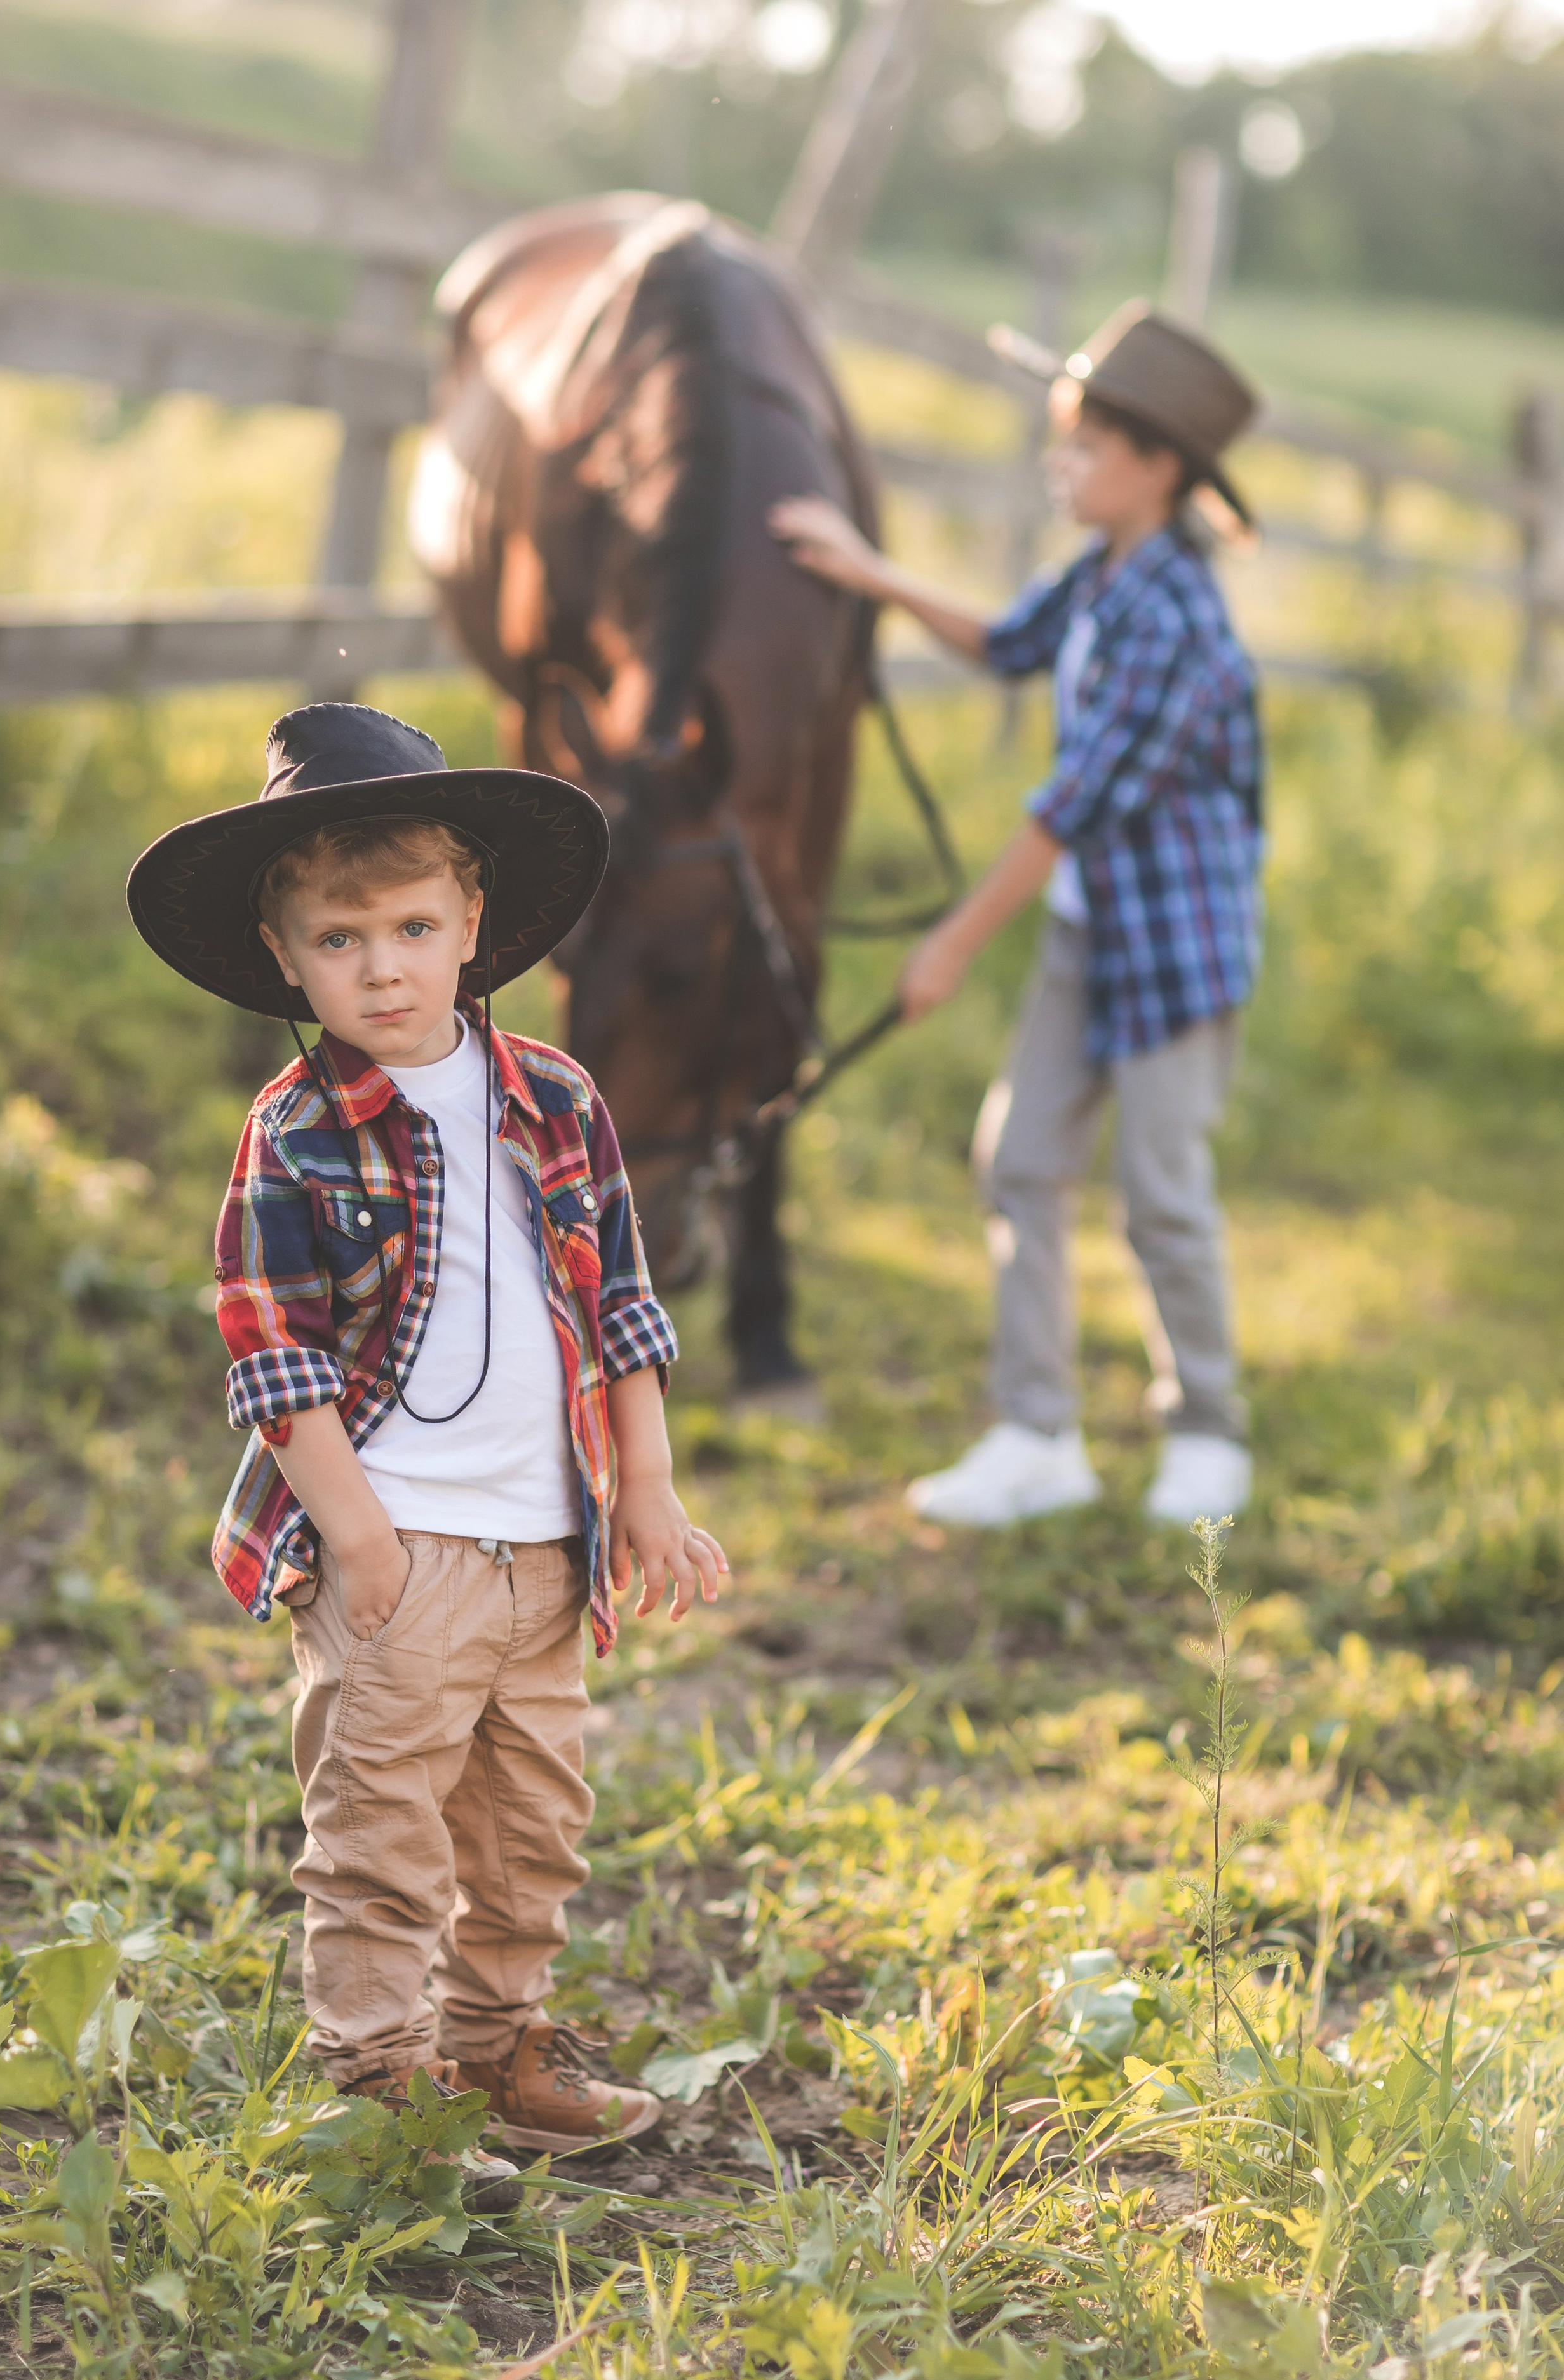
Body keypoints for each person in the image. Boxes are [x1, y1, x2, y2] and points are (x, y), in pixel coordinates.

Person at [127, 702, 728, 2193]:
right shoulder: (297, 1129)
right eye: (340, 939)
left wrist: (643, 1487)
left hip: (547, 1544)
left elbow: (623, 1309)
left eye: (409, 924)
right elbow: (269, 1345)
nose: (380, 966)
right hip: (393, 1548)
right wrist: (363, 1537)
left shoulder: (556, 1099)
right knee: (383, 1828)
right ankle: (376, 2082)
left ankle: (494, 2046)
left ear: (473, 921)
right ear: (284, 953)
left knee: (532, 1821)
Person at [771, 304, 1262, 1529]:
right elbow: (1007, 644)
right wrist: (863, 567)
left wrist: (949, 943)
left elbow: (1071, 806)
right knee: (1023, 1161)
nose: (1064, 463)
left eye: (1088, 445)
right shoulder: (1102, 574)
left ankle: (1208, 1431)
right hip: (1090, 932)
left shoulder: (1178, 622)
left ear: (1157, 468)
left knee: (1161, 1190)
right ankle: (1038, 1432)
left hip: (1172, 949)